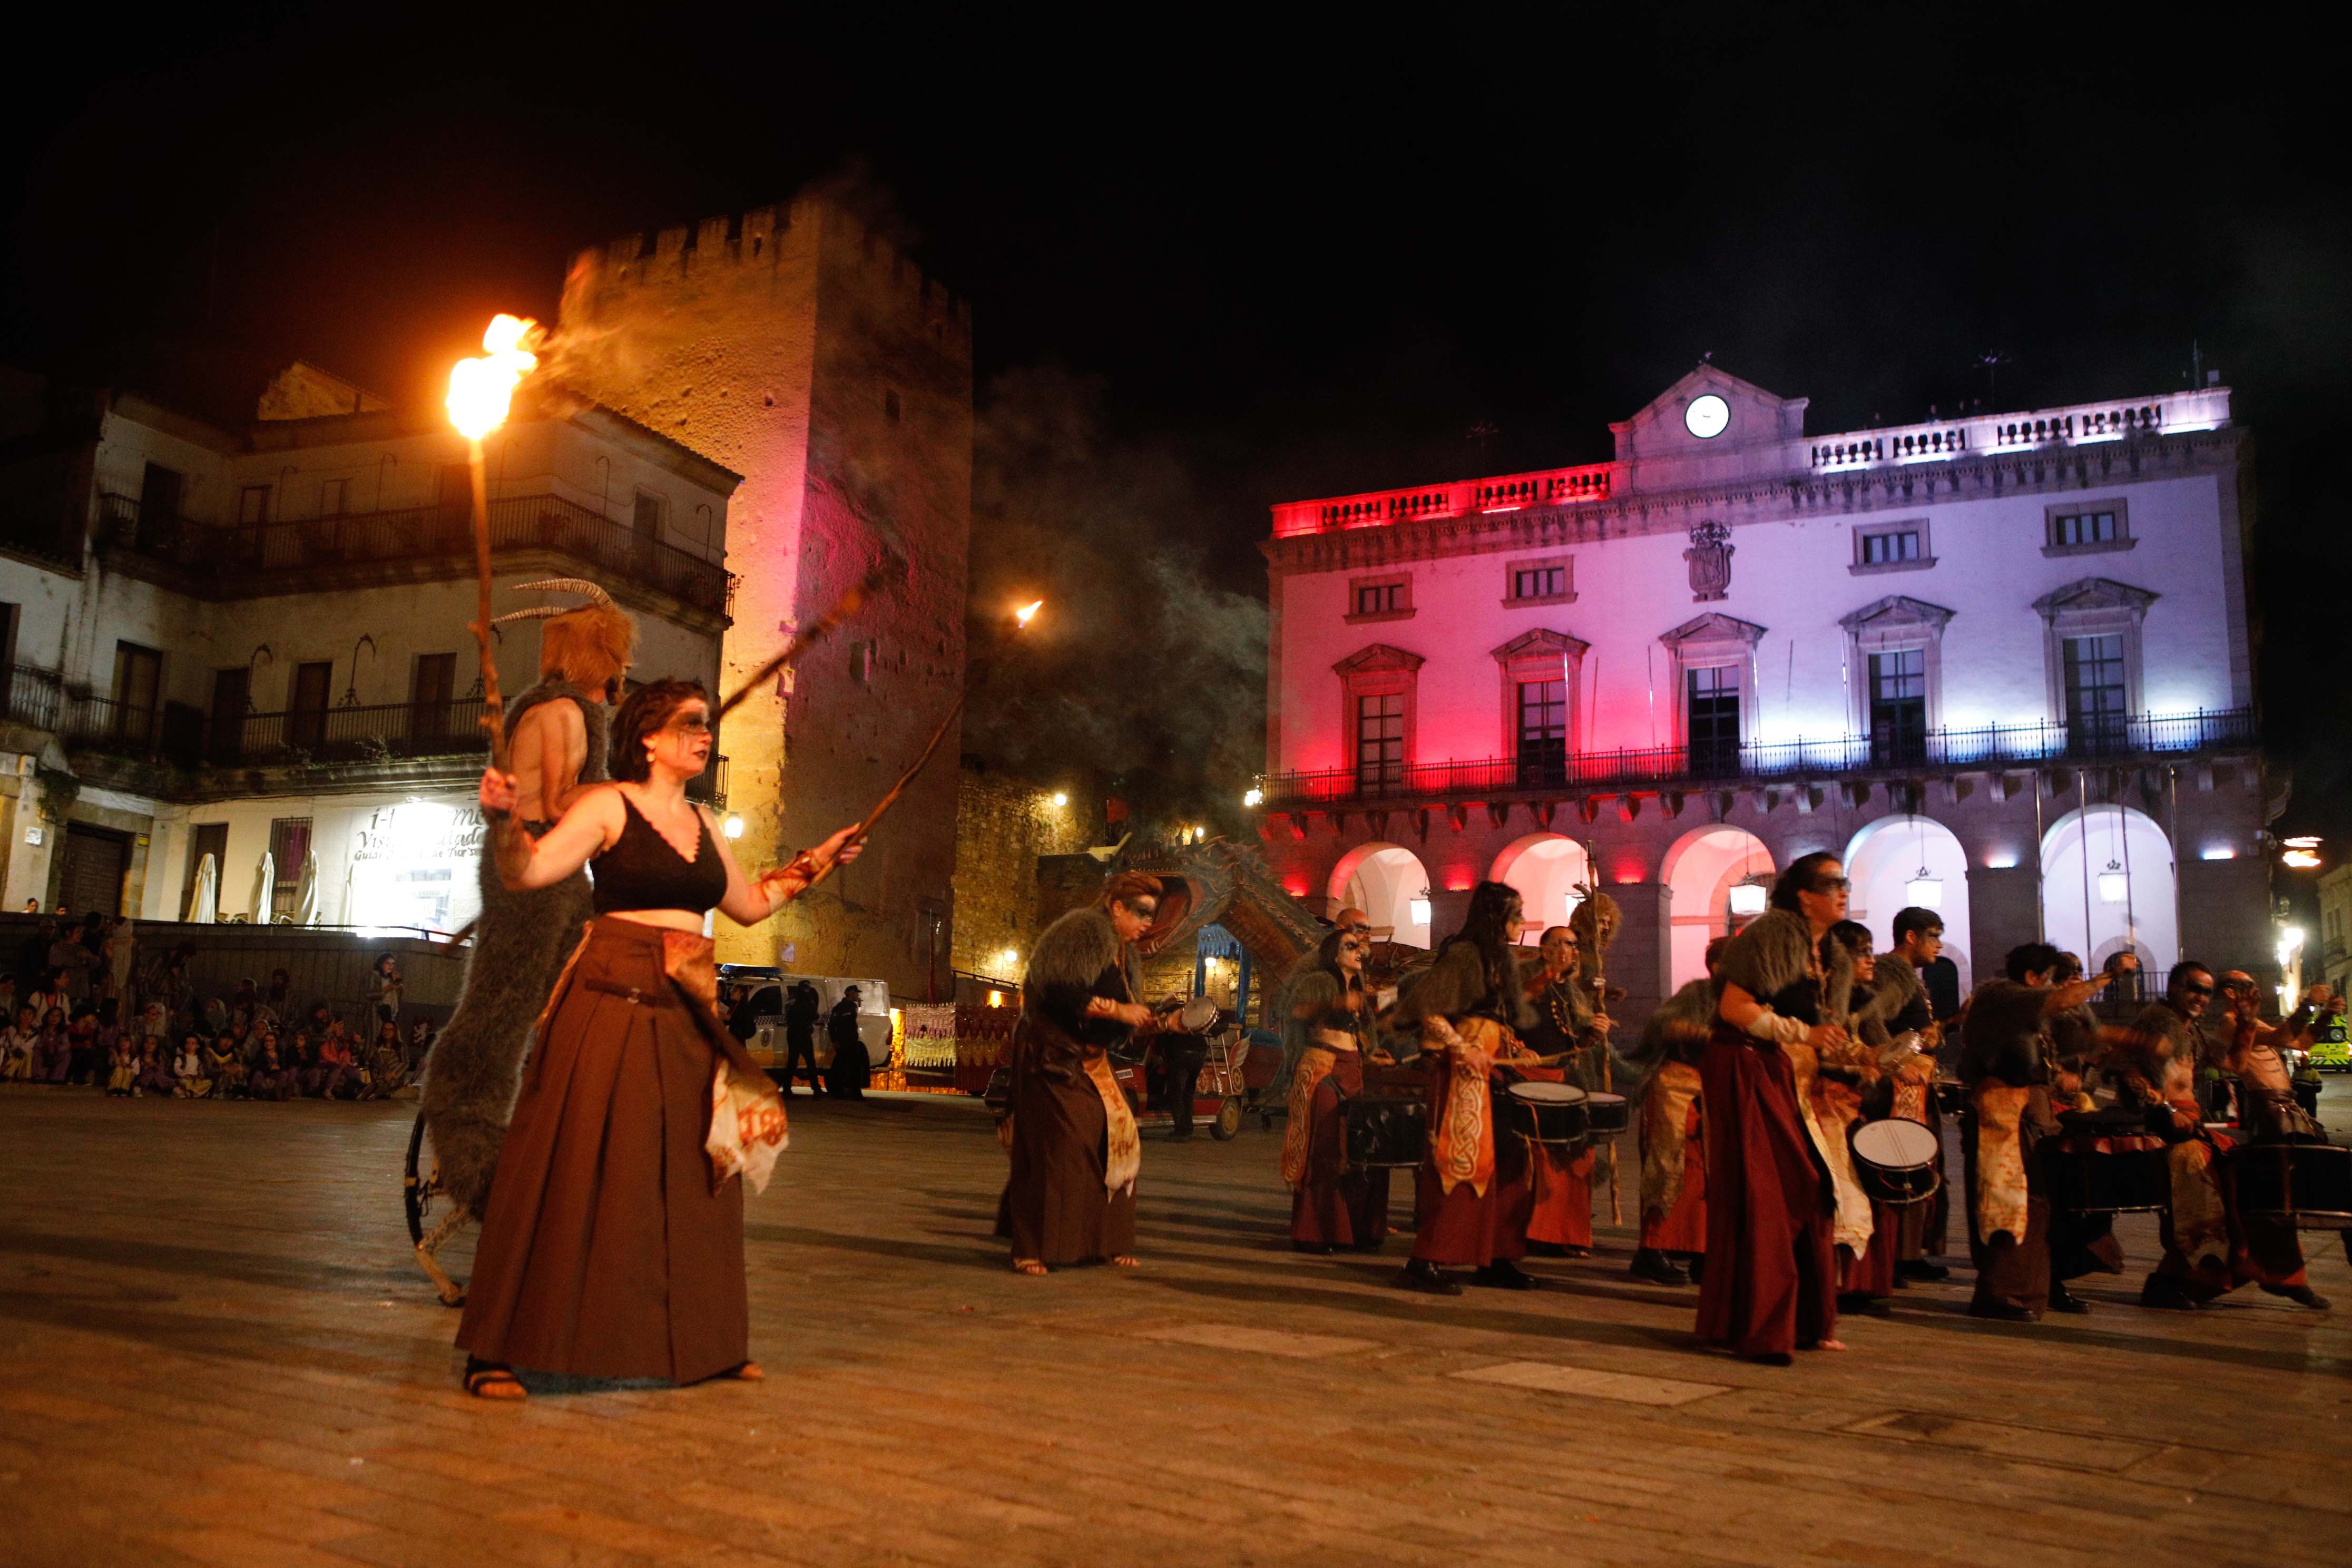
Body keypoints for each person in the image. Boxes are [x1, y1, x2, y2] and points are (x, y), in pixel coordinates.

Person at [457, 677, 860, 1399]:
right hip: (608, 995)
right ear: (647, 737)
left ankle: (707, 1343)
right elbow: (530, 872)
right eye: (689, 725)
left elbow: (752, 904)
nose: (705, 736)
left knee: (700, 1169)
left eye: (706, 725)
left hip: (688, 1006)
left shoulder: (705, 823)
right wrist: (502, 821)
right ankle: (496, 1350)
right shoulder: (607, 805)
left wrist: (818, 859)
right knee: (568, 1159)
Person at [423, 579, 636, 1228]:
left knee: (554, 1002)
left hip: (542, 869)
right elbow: (567, 799)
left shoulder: (542, 709)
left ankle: (549, 1137)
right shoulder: (571, 715)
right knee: (512, 1003)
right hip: (543, 867)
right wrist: (630, 802)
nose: (622, 681)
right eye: (618, 668)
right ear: (602, 663)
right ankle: (481, 1157)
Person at [1696, 851, 1847, 1365]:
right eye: (1833, 884)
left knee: (1810, 1187)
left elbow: (1812, 1024)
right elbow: (1735, 1009)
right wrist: (1803, 1033)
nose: (1843, 891)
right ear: (1805, 895)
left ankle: (1804, 1322)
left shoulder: (1825, 951)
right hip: (1743, 1065)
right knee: (1770, 1193)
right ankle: (1761, 1327)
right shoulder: (1776, 935)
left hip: (1778, 1069)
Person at [2106, 964, 2328, 1312]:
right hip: (2168, 1135)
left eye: (2206, 992)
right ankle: (2185, 1284)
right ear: (2175, 987)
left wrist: (2250, 1022)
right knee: (2207, 1208)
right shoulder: (2158, 1021)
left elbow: (2236, 1064)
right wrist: (2163, 1110)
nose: (2201, 997)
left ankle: (2281, 1275)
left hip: (2193, 1130)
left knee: (2254, 1188)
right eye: (2195, 988)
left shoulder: (2190, 1032)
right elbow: (2126, 1067)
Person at [994, 872, 1164, 1276]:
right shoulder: (1083, 930)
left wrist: (1154, 1023)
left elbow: (1119, 1025)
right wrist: (1118, 1010)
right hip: (1049, 1050)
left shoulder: (1128, 957)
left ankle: (1105, 1242)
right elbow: (1056, 988)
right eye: (1140, 912)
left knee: (1117, 1136)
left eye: (1151, 915)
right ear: (1116, 907)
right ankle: (1029, 1248)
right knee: (1059, 1144)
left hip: (1089, 1057)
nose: (1146, 922)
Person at [1387, 881, 1544, 1296]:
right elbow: (1432, 1012)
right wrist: (1462, 1048)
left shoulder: (1498, 959)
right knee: (1457, 1164)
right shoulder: (1463, 954)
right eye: (1516, 914)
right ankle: (1425, 1260)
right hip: (1462, 1075)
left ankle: (1496, 1257)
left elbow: (1494, 1018)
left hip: (1492, 1071)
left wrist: (1515, 1047)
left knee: (1511, 1161)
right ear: (1497, 917)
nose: (1522, 922)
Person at [1957, 942, 2105, 1320]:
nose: (2057, 990)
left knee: (2040, 1206)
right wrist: (2110, 976)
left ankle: (2040, 1287)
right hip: (1998, 1117)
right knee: (2005, 1204)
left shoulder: (2033, 1018)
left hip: (2029, 1117)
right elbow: (2059, 1003)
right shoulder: (2002, 999)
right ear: (2031, 979)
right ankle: (1998, 1295)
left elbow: (2079, 1040)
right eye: (2052, 981)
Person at [1625, 937, 1727, 1286]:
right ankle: (1651, 1251)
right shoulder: (1698, 993)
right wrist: (1702, 1034)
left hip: (1708, 1093)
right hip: (1675, 1089)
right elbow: (1663, 1023)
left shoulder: (1742, 999)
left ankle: (1700, 1251)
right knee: (1667, 1171)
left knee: (1704, 1178)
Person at [1282, 926, 1389, 1252]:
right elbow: (1295, 1012)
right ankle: (1313, 1233)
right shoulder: (1319, 981)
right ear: (1334, 953)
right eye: (1351, 946)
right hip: (1323, 1069)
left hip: (1352, 1070)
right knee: (1325, 1152)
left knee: (1358, 1150)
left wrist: (1373, 1051)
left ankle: (1355, 1231)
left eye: (1361, 947)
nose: (1360, 951)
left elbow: (1361, 1033)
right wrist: (1334, 1002)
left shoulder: (1357, 987)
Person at [1519, 923, 1611, 1258]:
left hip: (1563, 1081)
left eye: (1573, 945)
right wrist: (1517, 1048)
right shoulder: (1530, 985)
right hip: (1529, 1082)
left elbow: (1572, 1044)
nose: (1569, 950)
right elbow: (1505, 1019)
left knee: (1580, 1156)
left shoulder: (1570, 993)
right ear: (1545, 950)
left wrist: (1592, 1036)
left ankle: (1567, 1234)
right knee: (1544, 1161)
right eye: (1562, 944)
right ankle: (1541, 1235)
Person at [1877, 907, 1953, 1280]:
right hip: (1898, 1086)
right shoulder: (1891, 975)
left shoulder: (1908, 976)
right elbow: (1876, 1028)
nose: (1939, 944)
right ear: (1911, 937)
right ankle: (1892, 1254)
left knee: (1920, 1163)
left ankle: (1908, 1253)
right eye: (1933, 936)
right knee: (1901, 1163)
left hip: (1916, 1085)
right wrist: (1895, 1062)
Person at [826, 988, 871, 1100]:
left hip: (851, 1041)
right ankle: (845, 1093)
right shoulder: (840, 1008)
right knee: (843, 1068)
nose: (858, 996)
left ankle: (855, 1093)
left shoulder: (853, 1007)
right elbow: (832, 1025)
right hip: (843, 1042)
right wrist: (835, 1041)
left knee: (854, 1068)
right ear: (851, 994)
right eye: (856, 994)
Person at [781, 981, 822, 1096]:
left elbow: (787, 1013)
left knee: (792, 1062)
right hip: (804, 1033)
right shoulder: (809, 1001)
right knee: (810, 1062)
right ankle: (816, 1089)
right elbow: (814, 1016)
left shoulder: (791, 999)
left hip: (793, 1032)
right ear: (808, 988)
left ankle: (787, 1089)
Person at [0, 1005, 37, 1081]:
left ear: (34, 1018)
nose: (26, 1016)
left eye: (29, 1014)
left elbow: (27, 1046)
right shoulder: (12, 1029)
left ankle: (10, 1073)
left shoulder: (34, 1032)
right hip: (10, 1053)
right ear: (19, 1016)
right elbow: (11, 1044)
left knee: (28, 1052)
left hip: (21, 1054)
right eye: (23, 1014)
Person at [369, 954, 404, 1033]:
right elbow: (369, 995)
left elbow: (396, 998)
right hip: (378, 1014)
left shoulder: (390, 978)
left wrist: (397, 983)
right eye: (387, 963)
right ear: (381, 964)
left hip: (391, 1014)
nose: (390, 966)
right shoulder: (374, 975)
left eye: (392, 964)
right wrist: (387, 989)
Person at [173, 1033, 213, 1099]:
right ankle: (191, 1093)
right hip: (185, 1079)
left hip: (195, 1080)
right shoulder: (181, 1058)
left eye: (193, 1043)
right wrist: (184, 1075)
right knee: (182, 1083)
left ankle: (189, 1093)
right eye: (187, 1043)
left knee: (208, 1082)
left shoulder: (199, 1059)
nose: (190, 1046)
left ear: (198, 1046)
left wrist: (198, 1077)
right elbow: (177, 1069)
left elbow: (201, 1071)